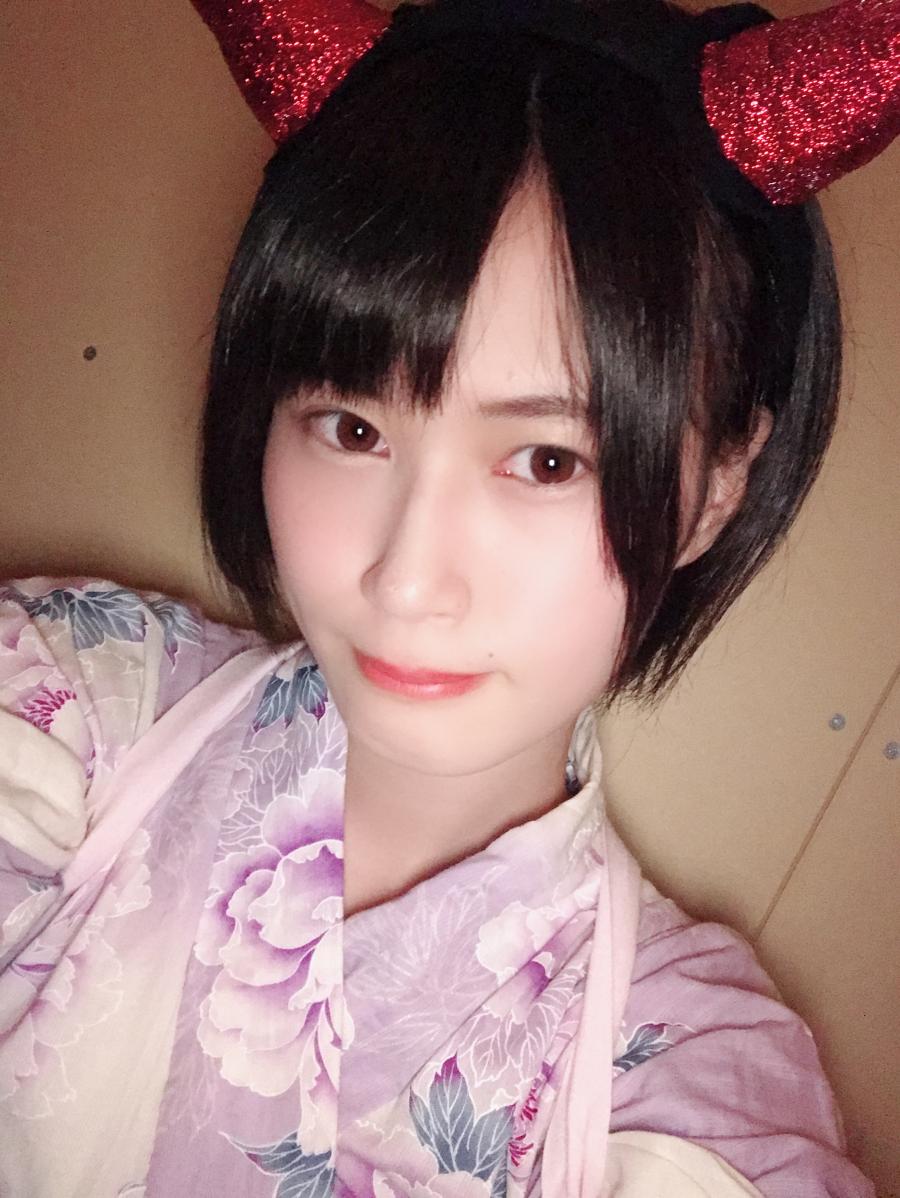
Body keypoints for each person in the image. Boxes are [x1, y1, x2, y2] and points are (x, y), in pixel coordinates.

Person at [1, 0, 896, 1194]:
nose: (408, 578)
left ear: (714, 492)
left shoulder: (688, 1071)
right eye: (351, 426)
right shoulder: (80, 702)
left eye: (547, 460)